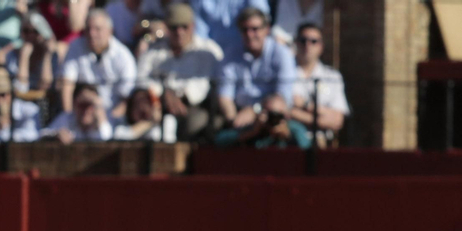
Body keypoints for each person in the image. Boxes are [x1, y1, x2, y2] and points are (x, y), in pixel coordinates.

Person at [136, 2, 218, 141]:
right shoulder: (154, 51)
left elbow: (203, 84)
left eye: (184, 27)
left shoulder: (207, 50)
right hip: (158, 105)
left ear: (193, 26)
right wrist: (163, 93)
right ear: (166, 27)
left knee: (196, 124)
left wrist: (178, 95)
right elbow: (140, 79)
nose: (179, 32)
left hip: (194, 107)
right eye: (174, 27)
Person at [214, 6, 292, 134]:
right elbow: (224, 96)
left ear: (266, 29)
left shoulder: (282, 53)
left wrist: (255, 110)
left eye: (255, 29)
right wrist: (235, 123)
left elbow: (282, 98)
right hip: (239, 116)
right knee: (220, 138)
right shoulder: (230, 55)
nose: (250, 35)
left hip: (272, 117)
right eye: (245, 30)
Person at [58, 8, 135, 120]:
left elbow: (126, 99)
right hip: (79, 117)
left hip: (112, 117)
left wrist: (107, 122)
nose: (92, 33)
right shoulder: (75, 47)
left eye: (97, 29)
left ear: (110, 31)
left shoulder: (123, 56)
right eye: (88, 29)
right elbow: (66, 85)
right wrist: (69, 118)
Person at [285, 21, 343, 144]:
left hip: (323, 142)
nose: (308, 45)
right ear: (296, 43)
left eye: (313, 41)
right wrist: (321, 117)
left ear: (321, 46)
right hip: (290, 140)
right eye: (303, 40)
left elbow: (337, 120)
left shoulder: (333, 76)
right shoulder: (284, 74)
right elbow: (283, 111)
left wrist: (305, 106)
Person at [44, 81, 109, 141]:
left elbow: (107, 138)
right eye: (82, 105)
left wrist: (98, 109)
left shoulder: (102, 119)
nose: (86, 110)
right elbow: (42, 134)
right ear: (74, 105)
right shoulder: (67, 117)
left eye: (90, 105)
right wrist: (55, 136)